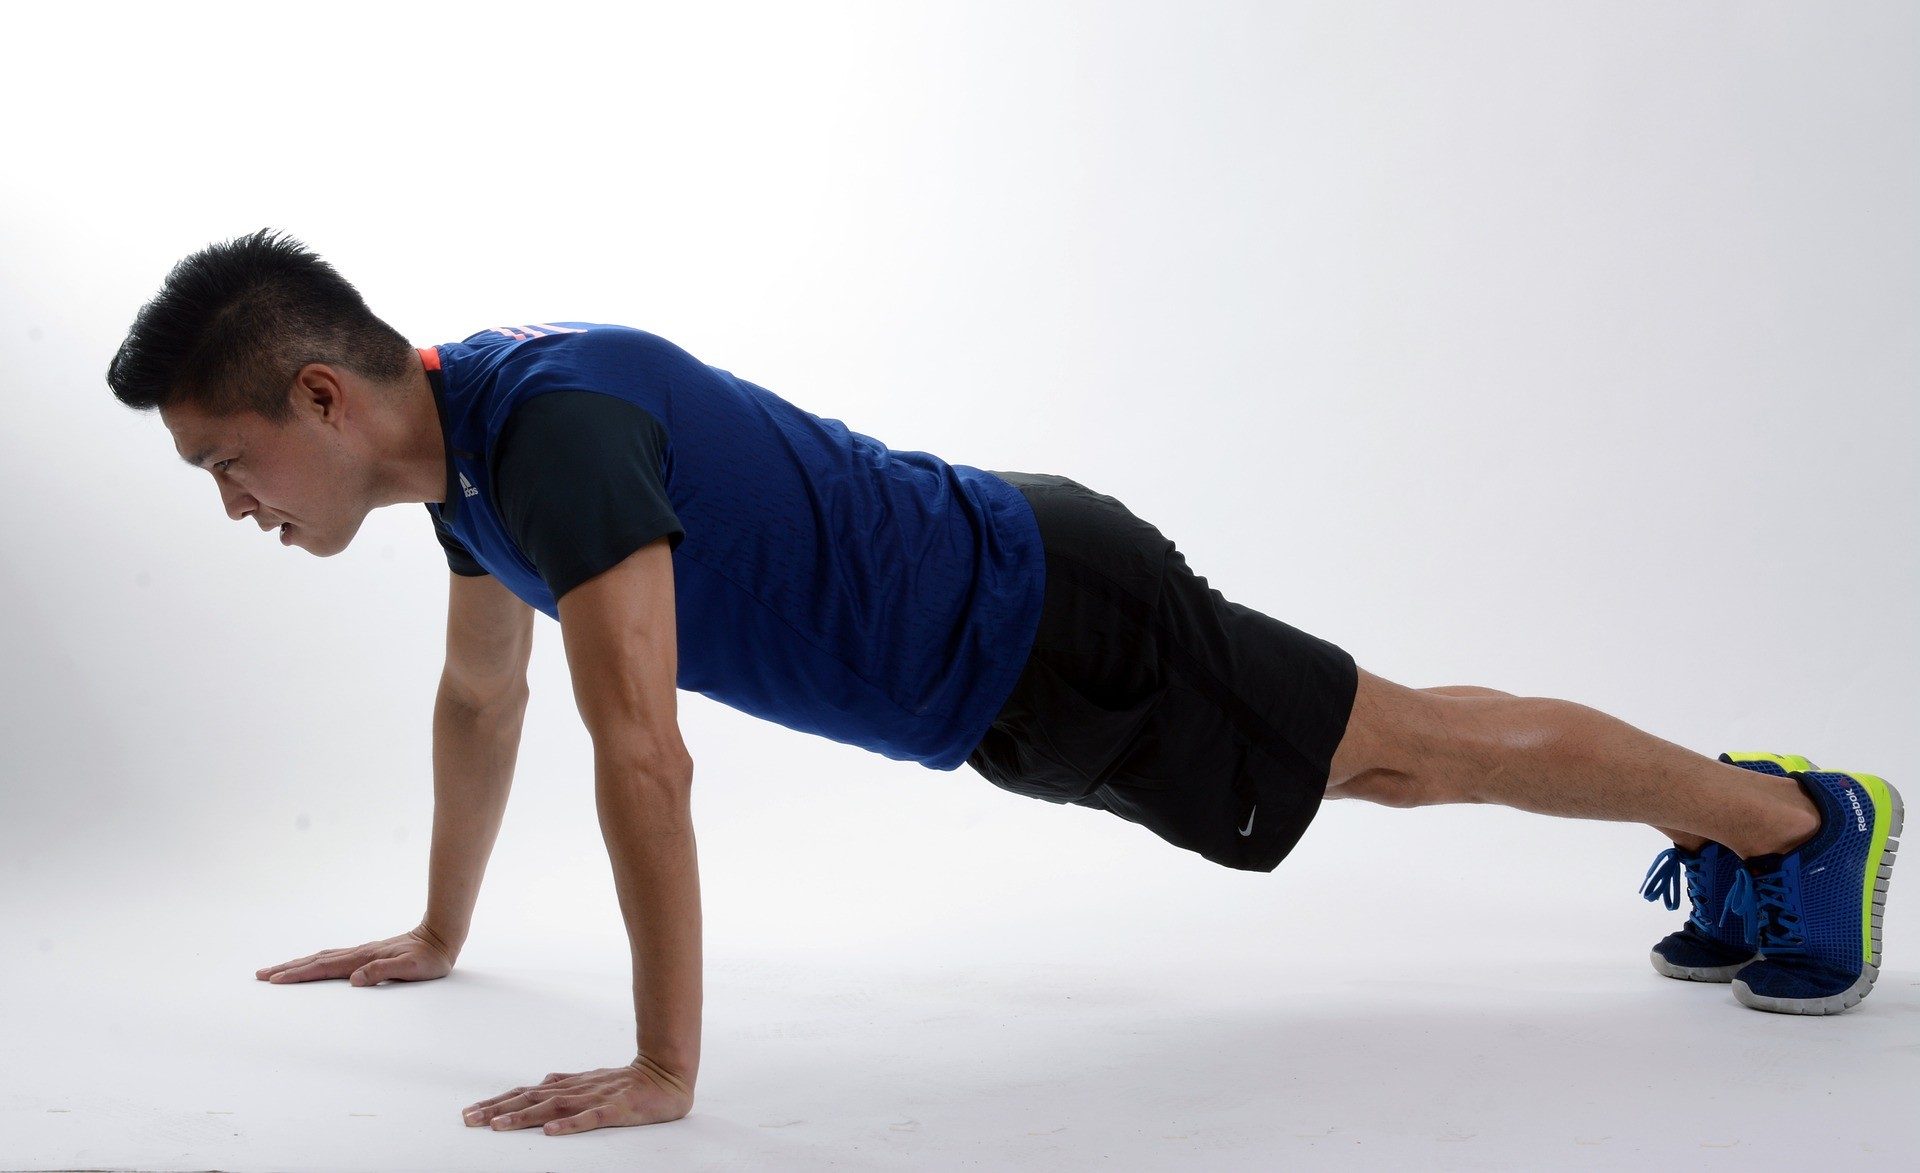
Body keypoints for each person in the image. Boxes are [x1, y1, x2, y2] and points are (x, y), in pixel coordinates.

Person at [107, 228, 1903, 1137]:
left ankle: (1800, 820)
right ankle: (1751, 818)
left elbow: (641, 753)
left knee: (1405, 752)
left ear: (320, 398)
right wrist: (439, 930)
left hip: (1057, 624)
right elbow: (480, 700)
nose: (236, 504)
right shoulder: (464, 466)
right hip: (1008, 667)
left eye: (225, 462)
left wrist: (663, 1065)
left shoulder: (550, 434)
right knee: (1390, 750)